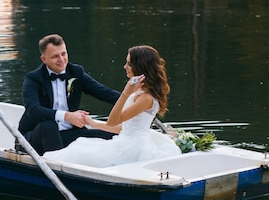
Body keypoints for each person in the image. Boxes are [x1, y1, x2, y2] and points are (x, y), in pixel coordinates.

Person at [43, 45, 181, 167]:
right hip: (125, 140)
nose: (125, 66)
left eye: (129, 64)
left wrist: (125, 94)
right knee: (81, 147)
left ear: (139, 67)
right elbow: (123, 127)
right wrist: (92, 123)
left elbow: (113, 120)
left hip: (133, 149)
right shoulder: (139, 92)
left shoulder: (146, 98)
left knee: (80, 152)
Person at [17, 34, 122, 155]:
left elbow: (104, 93)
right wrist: (67, 116)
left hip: (69, 133)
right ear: (44, 59)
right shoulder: (33, 79)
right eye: (55, 56)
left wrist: (132, 101)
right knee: (48, 125)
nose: (61, 59)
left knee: (112, 136)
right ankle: (58, 167)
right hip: (36, 137)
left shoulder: (76, 72)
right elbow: (33, 111)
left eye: (63, 54)